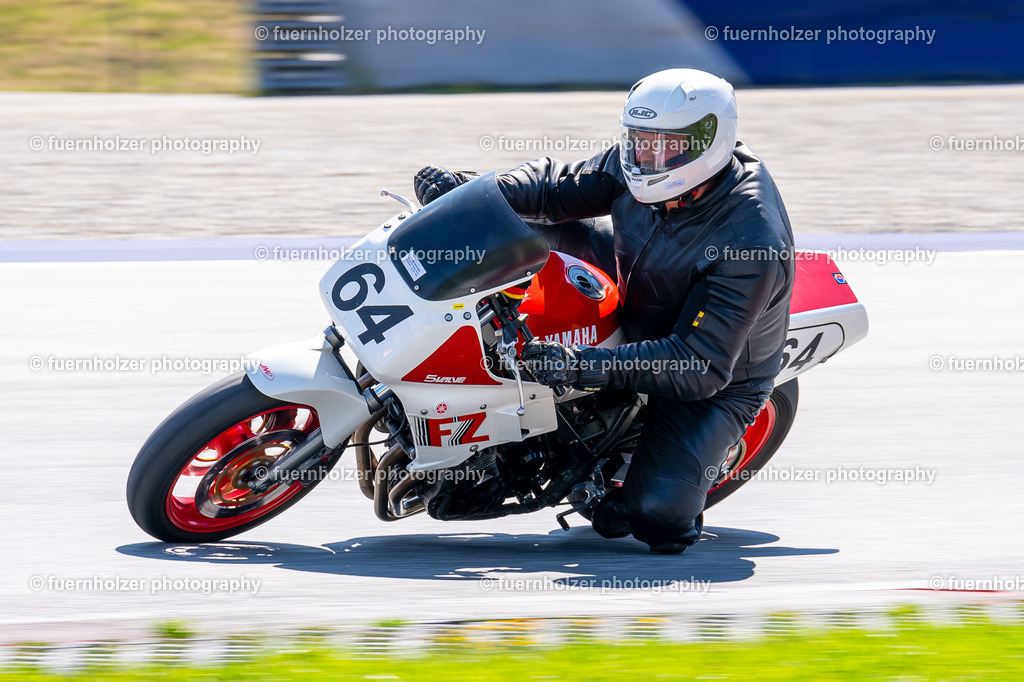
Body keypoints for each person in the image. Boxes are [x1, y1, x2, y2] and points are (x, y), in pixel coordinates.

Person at [412, 68, 794, 554]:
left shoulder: (750, 242)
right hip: (634, 271)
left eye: (667, 146)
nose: (648, 157)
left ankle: (660, 487)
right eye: (640, 141)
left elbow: (699, 365)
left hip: (714, 375)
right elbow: (556, 187)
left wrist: (577, 367)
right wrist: (473, 193)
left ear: (709, 142)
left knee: (653, 518)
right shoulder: (634, 165)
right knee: (508, 225)